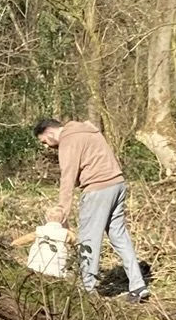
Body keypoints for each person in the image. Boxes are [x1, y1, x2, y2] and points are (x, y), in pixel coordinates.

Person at [35, 117, 147, 302]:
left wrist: (62, 212)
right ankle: (138, 286)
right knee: (119, 236)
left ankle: (86, 291)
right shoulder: (89, 131)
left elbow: (67, 178)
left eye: (45, 141)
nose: (47, 146)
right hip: (117, 184)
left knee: (88, 240)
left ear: (50, 132)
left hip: (97, 189)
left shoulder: (69, 141)